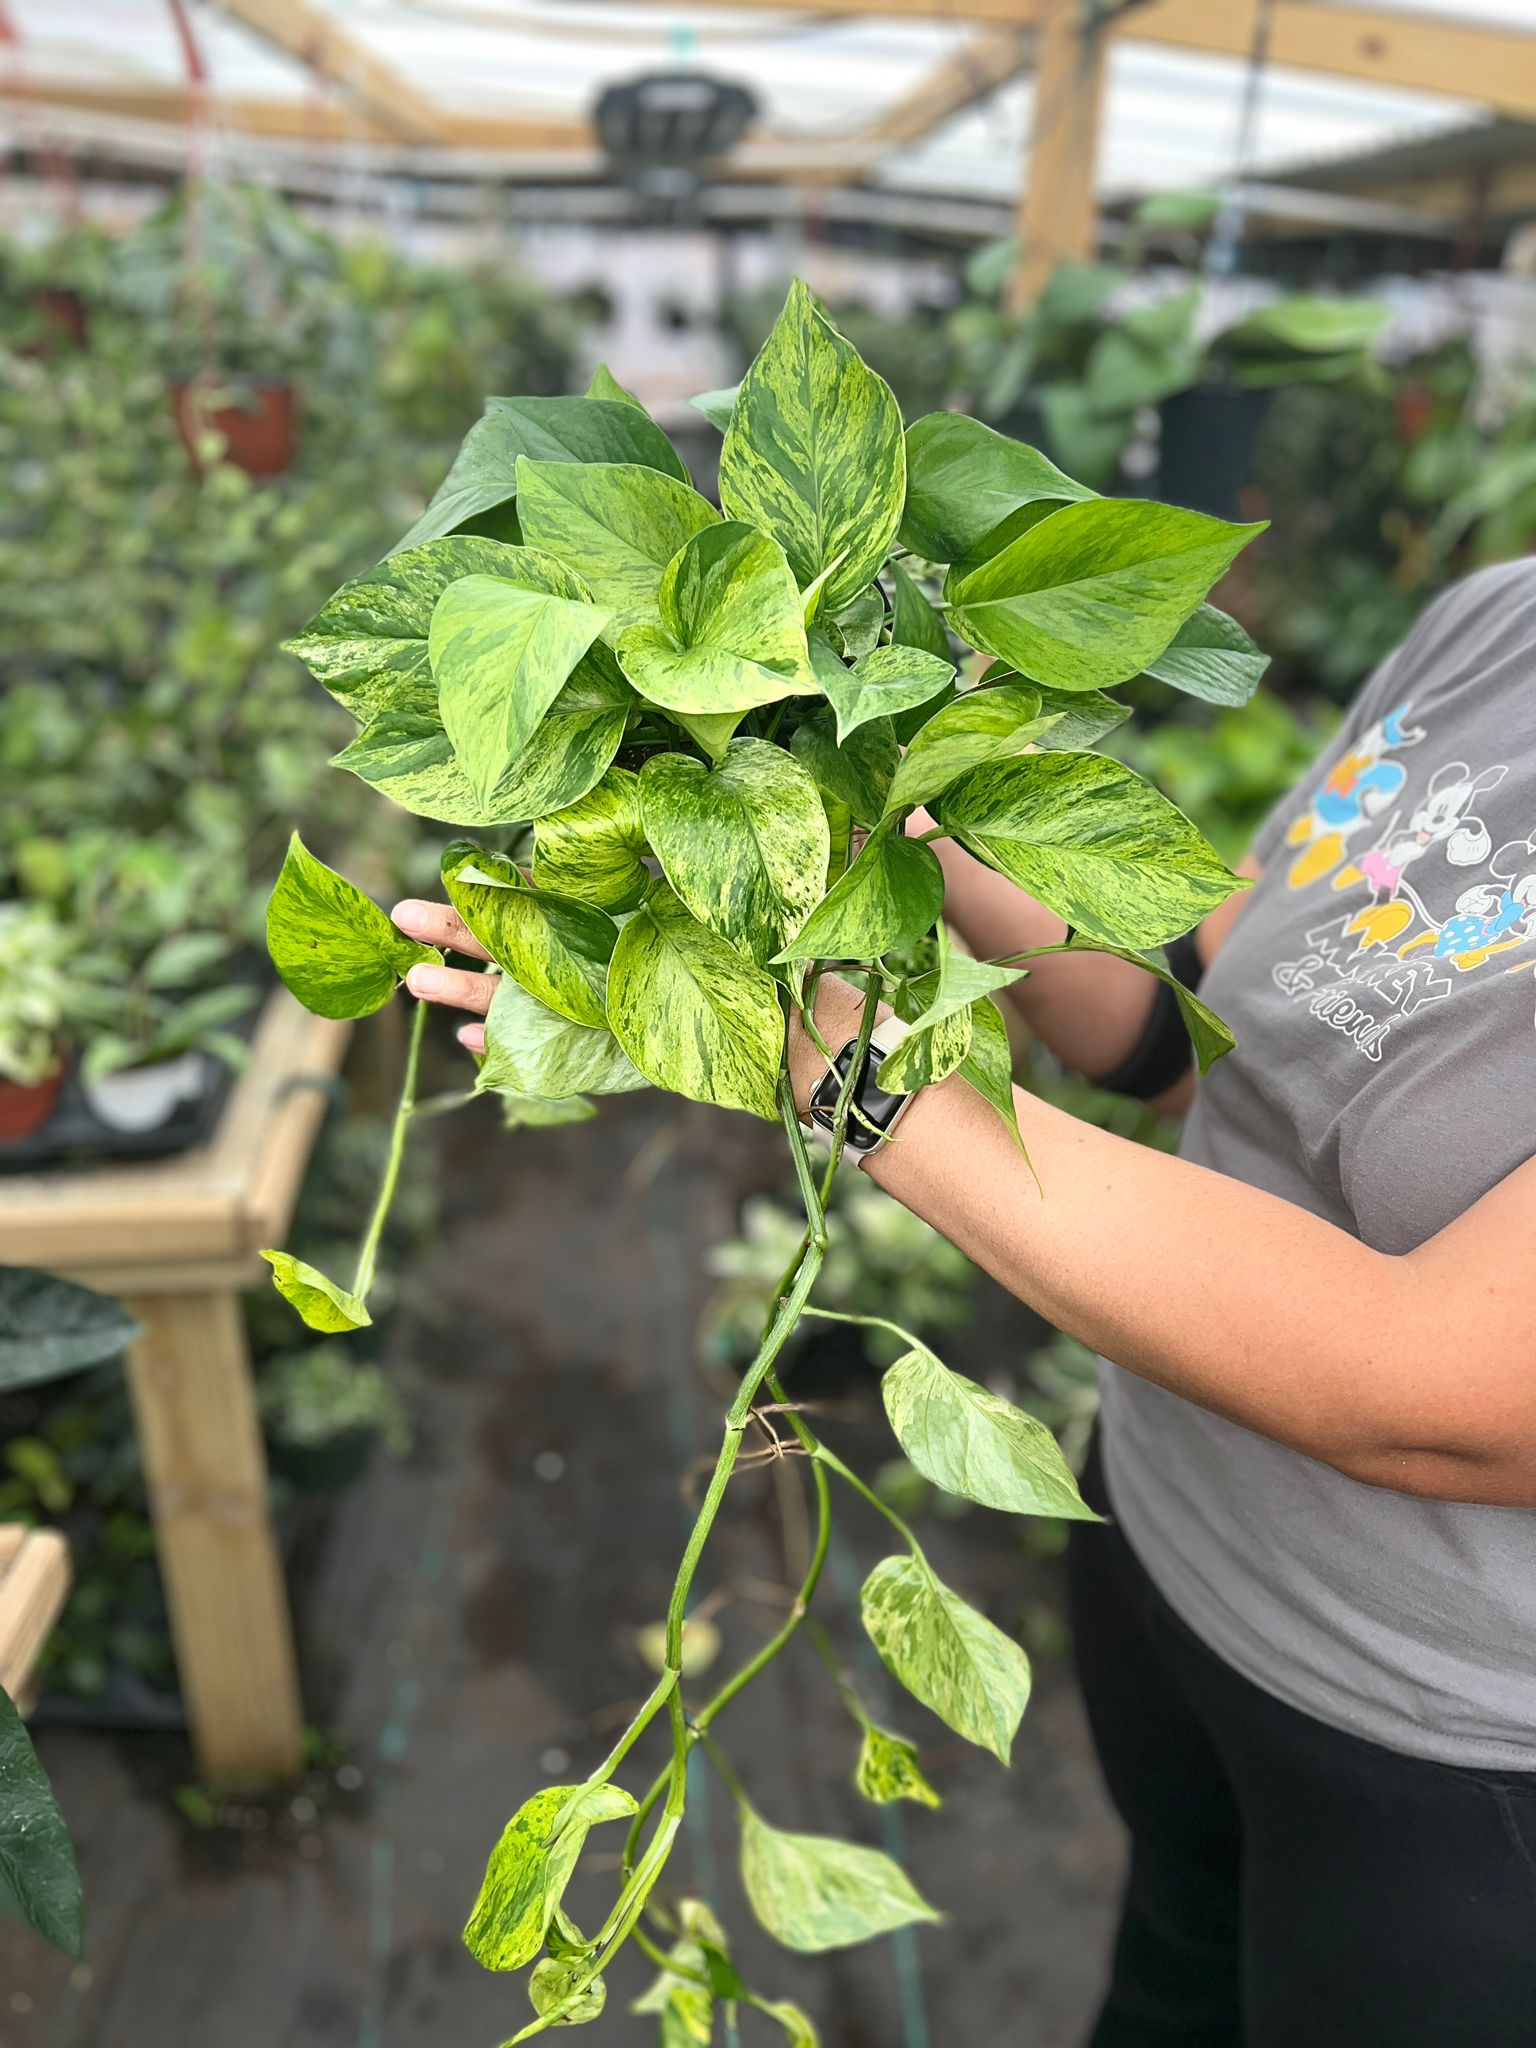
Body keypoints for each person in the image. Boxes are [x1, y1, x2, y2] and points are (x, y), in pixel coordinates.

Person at [391, 560, 1536, 2048]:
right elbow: (1186, 1017)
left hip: (1444, 1758)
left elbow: (1436, 1392)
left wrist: (828, 1059)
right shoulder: (1505, 620)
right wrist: (868, 804)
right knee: (1168, 1986)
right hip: (1178, 1556)